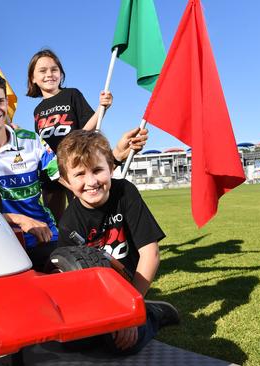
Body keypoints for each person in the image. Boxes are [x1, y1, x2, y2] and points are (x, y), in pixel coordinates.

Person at [0, 71, 145, 270]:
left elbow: (70, 175)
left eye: (0, 101)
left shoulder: (31, 141)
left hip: (44, 238)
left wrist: (116, 156)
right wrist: (18, 220)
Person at [55, 130, 179, 355]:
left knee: (121, 344)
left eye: (98, 170)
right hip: (97, 297)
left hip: (130, 288)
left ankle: (151, 314)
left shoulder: (125, 193)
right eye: (80, 174)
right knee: (71, 343)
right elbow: (74, 283)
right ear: (66, 182)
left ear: (112, 168)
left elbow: (151, 254)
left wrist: (130, 311)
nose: (91, 181)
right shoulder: (67, 223)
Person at [26, 49, 144, 222]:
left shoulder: (71, 94)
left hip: (75, 165)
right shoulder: (37, 110)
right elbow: (40, 145)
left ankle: (90, 248)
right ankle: (61, 248)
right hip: (50, 174)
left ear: (61, 73)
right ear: (33, 79)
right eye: (42, 71)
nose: (49, 74)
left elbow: (86, 130)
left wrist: (102, 108)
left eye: (54, 69)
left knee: (82, 215)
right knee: (55, 220)